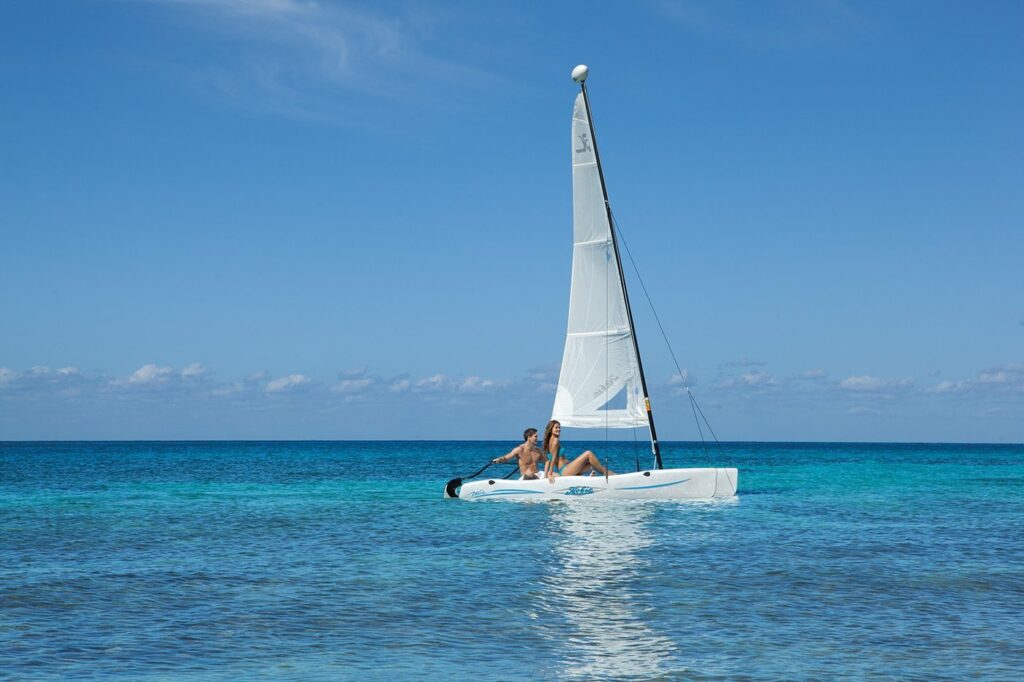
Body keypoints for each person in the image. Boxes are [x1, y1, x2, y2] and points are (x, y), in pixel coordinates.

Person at [541, 419, 614, 481]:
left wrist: (546, 475)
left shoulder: (550, 442)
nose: (559, 429)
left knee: (591, 465)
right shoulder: (555, 441)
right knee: (588, 453)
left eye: (559, 427)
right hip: (565, 470)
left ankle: (586, 478)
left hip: (565, 469)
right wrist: (550, 474)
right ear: (551, 429)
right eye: (556, 428)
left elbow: (549, 460)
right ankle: (606, 473)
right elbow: (553, 458)